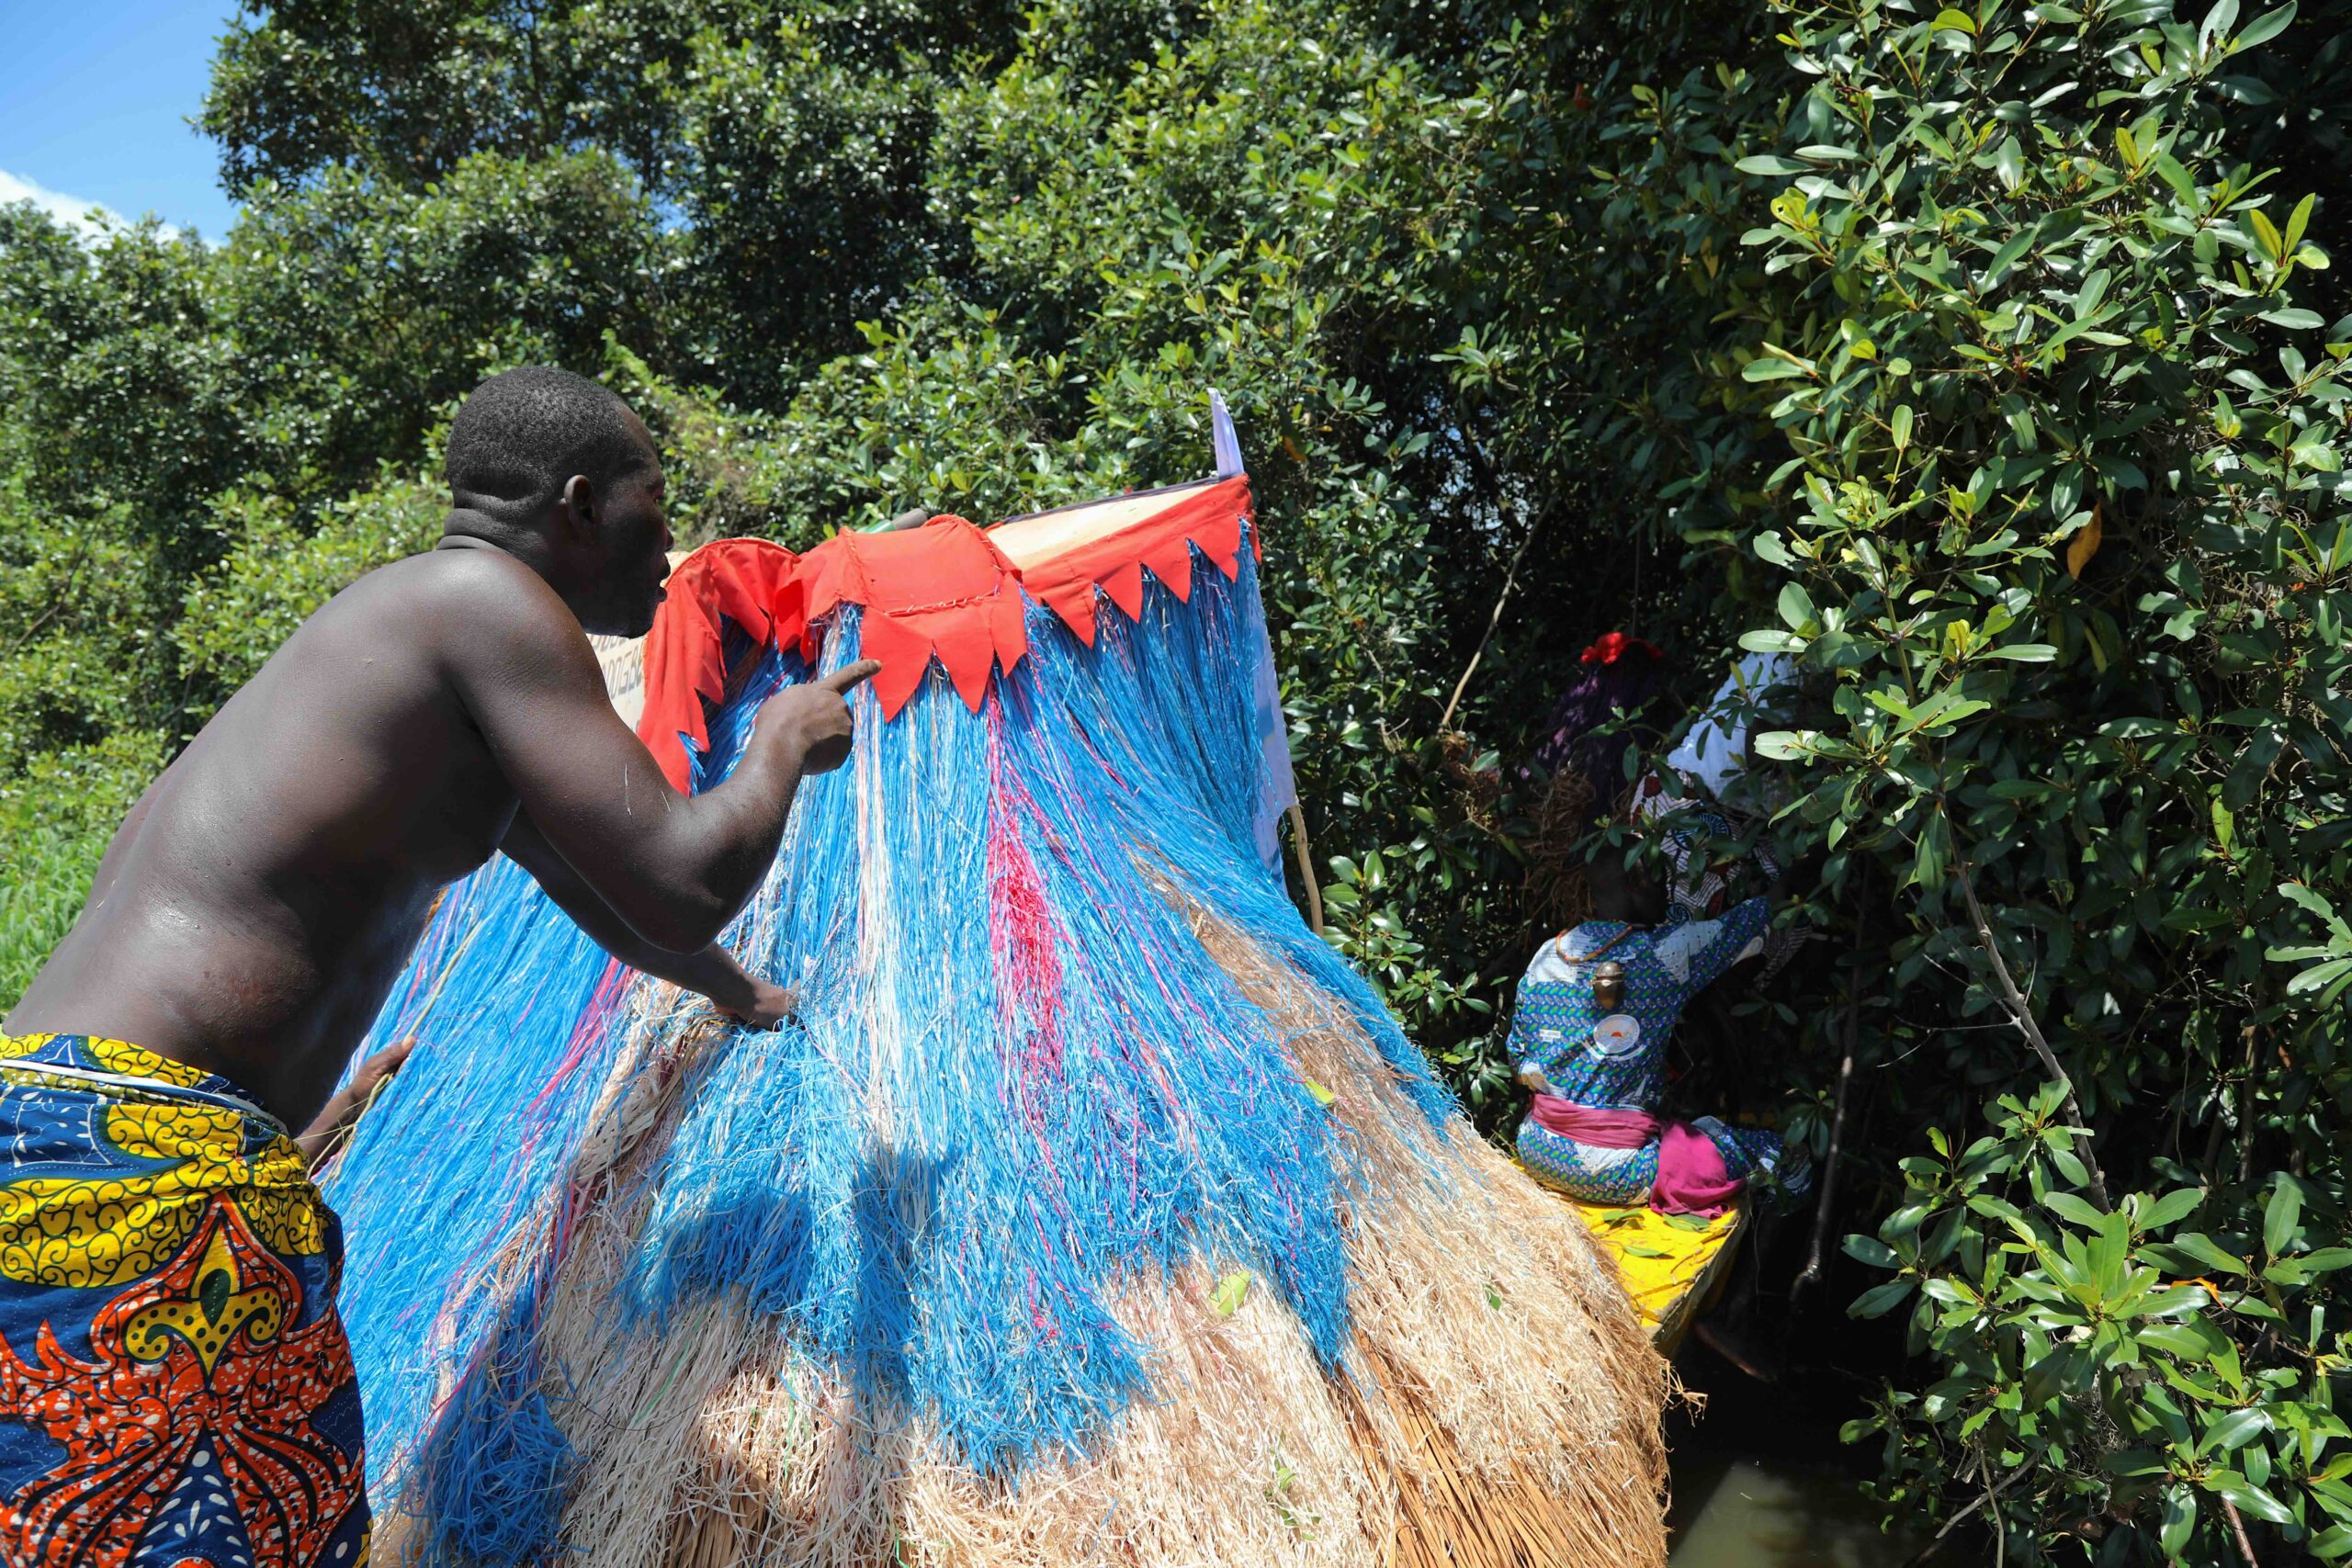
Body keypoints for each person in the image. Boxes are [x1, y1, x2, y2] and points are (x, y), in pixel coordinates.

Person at [0, 367, 874, 1565]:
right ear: (579, 503)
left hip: (71, 1126)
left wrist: (740, 994)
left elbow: (621, 900)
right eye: (654, 502)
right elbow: (682, 872)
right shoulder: (487, 604)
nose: (671, 543)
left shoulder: (422, 657)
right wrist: (779, 745)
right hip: (144, 1154)